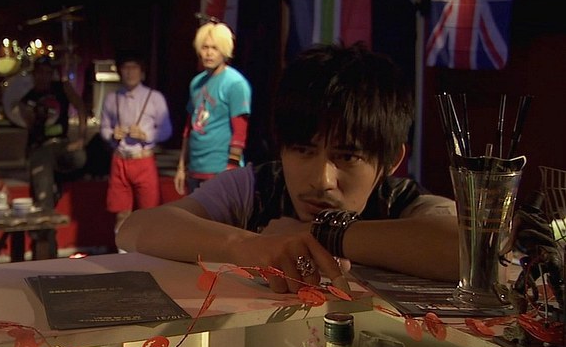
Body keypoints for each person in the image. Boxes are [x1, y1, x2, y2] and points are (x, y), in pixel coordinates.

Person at [117, 42, 459, 294]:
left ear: (391, 161)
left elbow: (469, 247)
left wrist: (319, 234)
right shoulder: (255, 187)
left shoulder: (401, 201)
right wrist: (245, 244)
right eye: (303, 151)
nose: (322, 180)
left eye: (347, 157)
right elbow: (135, 228)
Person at [174, 21, 252, 196]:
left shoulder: (235, 83)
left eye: (215, 48)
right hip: (195, 169)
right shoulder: (196, 83)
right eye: (205, 47)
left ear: (224, 50)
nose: (209, 53)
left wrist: (231, 167)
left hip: (220, 170)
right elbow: (188, 128)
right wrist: (181, 166)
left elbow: (240, 132)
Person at [99, 50, 173, 232]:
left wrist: (146, 135)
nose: (130, 72)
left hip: (143, 160)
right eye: (126, 68)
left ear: (142, 72)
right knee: (121, 213)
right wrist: (111, 134)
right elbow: (104, 127)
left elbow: (166, 130)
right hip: (120, 160)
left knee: (148, 213)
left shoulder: (154, 97)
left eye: (134, 68)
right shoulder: (111, 98)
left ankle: (146, 248)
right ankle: (121, 248)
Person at [17, 56, 88, 212]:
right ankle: (47, 213)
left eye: (48, 73)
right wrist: (34, 113)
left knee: (79, 156)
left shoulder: (62, 88)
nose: (44, 77)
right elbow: (29, 124)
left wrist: (81, 138)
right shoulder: (27, 99)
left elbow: (81, 107)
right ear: (34, 74)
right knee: (43, 180)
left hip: (62, 145)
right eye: (40, 72)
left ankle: (57, 180)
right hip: (40, 147)